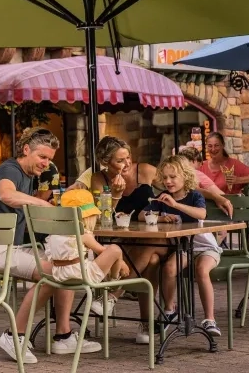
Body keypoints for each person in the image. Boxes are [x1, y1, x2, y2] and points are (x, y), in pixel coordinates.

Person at [0, 128, 101, 363]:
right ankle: (14, 334)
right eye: (42, 157)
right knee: (58, 271)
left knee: (66, 262)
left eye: (49, 159)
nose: (46, 163)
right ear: (26, 150)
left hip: (14, 247)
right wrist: (44, 205)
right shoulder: (11, 169)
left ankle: (63, 335)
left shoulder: (28, 176)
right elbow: (6, 195)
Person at [70, 136, 161, 332]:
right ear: (106, 162)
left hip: (147, 236)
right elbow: (101, 217)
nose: (127, 163)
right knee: (151, 260)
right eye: (120, 160)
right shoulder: (98, 179)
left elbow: (178, 182)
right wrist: (115, 195)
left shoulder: (145, 170)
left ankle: (112, 296)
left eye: (128, 157)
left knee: (151, 251)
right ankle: (147, 325)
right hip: (118, 239)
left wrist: (213, 195)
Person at [142, 155, 223, 338]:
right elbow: (142, 215)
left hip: (205, 247)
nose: (168, 181)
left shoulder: (194, 195)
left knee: (201, 270)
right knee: (169, 268)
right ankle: (170, 309)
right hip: (183, 249)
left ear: (185, 176)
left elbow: (201, 214)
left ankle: (210, 319)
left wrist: (176, 205)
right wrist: (161, 216)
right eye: (165, 178)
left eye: (173, 177)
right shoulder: (162, 197)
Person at [45, 189, 128, 287]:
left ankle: (111, 279)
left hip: (58, 274)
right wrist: (121, 262)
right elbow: (102, 251)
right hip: (80, 275)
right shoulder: (83, 234)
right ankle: (114, 280)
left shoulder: (56, 232)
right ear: (88, 217)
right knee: (115, 249)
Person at [176, 147, 234, 217]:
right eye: (200, 164)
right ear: (194, 161)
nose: (200, 167)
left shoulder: (178, 176)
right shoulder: (195, 173)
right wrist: (215, 197)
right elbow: (220, 195)